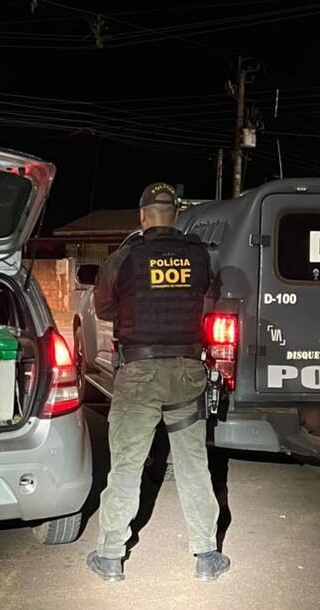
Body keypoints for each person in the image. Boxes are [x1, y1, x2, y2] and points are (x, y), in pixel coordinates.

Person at [86, 182, 229, 582]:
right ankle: (206, 556)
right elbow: (208, 293)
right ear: (176, 215)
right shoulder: (198, 255)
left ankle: (110, 557)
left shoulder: (124, 257)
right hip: (186, 372)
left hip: (139, 374)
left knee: (127, 466)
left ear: (142, 216)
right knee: (194, 465)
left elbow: (105, 308)